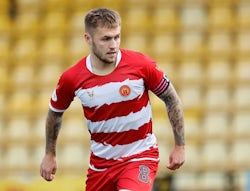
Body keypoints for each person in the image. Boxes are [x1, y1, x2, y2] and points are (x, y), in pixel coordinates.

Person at [40, 8, 185, 191]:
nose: (113, 45)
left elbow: (171, 98)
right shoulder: (73, 78)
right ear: (88, 39)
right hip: (101, 166)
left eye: (117, 37)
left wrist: (180, 145)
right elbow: (55, 112)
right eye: (106, 39)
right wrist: (49, 153)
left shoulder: (140, 65)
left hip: (140, 156)